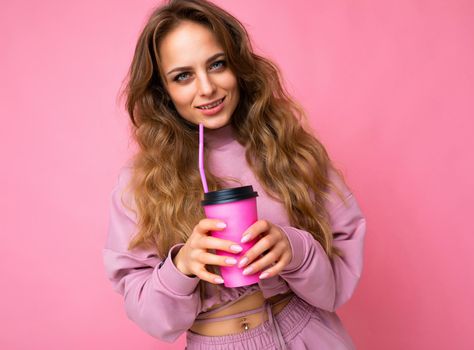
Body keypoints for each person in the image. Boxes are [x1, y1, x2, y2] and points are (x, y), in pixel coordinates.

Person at [102, 0, 367, 349]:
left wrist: (295, 249)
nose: (207, 88)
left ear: (238, 66)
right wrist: (181, 266)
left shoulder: (290, 150)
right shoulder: (139, 184)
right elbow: (152, 318)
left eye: (217, 64)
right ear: (162, 90)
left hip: (309, 335)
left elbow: (335, 287)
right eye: (183, 76)